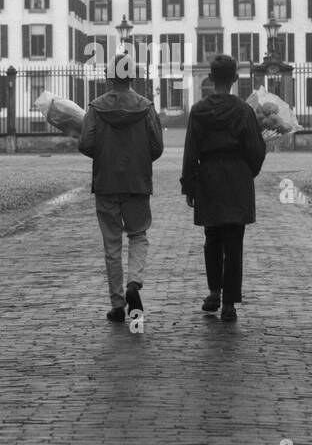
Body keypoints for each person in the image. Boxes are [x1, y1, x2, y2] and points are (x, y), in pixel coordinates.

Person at [78, 51, 164, 323]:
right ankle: (134, 284)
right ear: (133, 77)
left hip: (106, 182)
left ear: (108, 77)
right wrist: (139, 157)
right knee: (138, 234)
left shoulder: (96, 108)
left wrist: (105, 154)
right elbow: (157, 146)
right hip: (137, 182)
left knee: (112, 243)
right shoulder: (146, 107)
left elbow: (85, 144)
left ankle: (117, 305)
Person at [181, 54, 267, 323]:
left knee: (212, 239)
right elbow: (255, 150)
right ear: (234, 79)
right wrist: (247, 172)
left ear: (210, 77)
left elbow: (190, 150)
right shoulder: (244, 111)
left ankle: (214, 291)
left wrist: (189, 184)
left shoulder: (198, 110)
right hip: (236, 177)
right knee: (234, 242)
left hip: (208, 176)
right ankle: (229, 302)